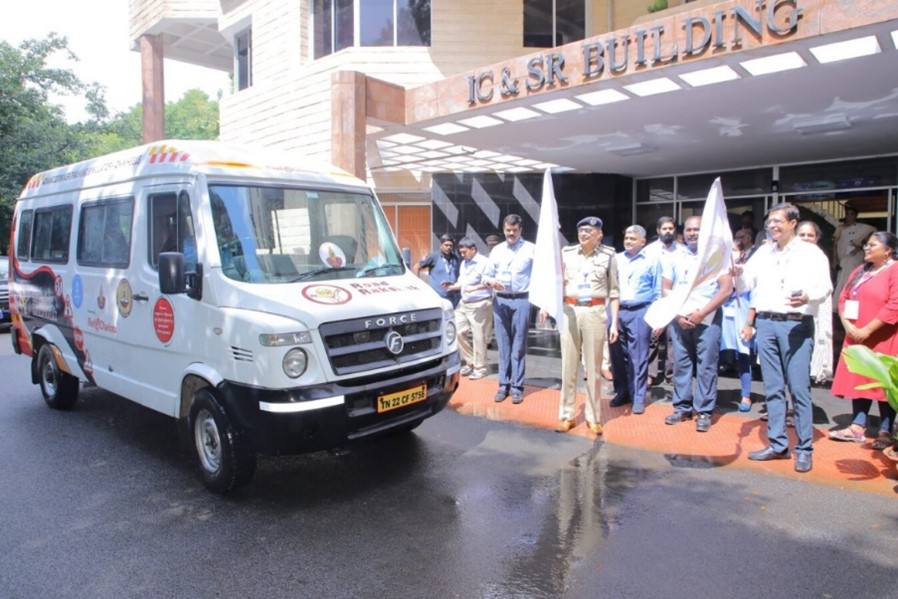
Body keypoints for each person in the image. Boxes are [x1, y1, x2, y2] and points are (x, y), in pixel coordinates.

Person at [736, 203, 832, 473]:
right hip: (766, 323)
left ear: (793, 223)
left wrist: (808, 297)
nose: (772, 226)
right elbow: (746, 285)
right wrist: (737, 274)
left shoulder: (811, 253)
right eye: (769, 222)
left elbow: (825, 286)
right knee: (773, 388)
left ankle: (804, 449)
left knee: (799, 389)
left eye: (778, 221)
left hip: (796, 324)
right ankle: (778, 445)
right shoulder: (763, 251)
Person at [545, 216, 619, 435]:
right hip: (570, 311)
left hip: (595, 312)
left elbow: (614, 292)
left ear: (599, 234)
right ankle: (566, 415)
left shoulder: (609, 256)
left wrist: (614, 322)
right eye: (581, 230)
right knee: (568, 366)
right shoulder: (566, 254)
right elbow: (556, 282)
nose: (584, 234)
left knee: (594, 368)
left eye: (589, 230)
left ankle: (593, 417)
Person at [662, 215, 733, 433]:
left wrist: (701, 313)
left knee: (706, 366)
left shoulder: (719, 257)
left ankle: (703, 411)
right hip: (679, 319)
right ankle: (682, 407)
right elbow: (665, 288)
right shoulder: (676, 257)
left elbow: (725, 290)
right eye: (690, 230)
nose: (694, 233)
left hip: (707, 319)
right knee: (681, 364)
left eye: (698, 230)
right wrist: (677, 315)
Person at [827, 231, 898, 450]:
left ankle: (886, 431)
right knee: (859, 380)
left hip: (883, 336)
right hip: (856, 334)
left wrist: (867, 329)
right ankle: (857, 426)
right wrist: (849, 327)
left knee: (883, 382)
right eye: (866, 244)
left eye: (872, 245)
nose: (866, 248)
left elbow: (895, 304)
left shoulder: (895, 270)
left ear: (887, 251)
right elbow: (844, 297)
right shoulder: (861, 270)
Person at [608, 225, 660, 415]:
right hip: (617, 311)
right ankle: (622, 391)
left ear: (643, 241)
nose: (628, 241)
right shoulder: (617, 259)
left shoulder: (652, 261)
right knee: (617, 355)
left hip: (640, 311)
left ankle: (638, 397)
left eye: (632, 238)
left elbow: (657, 291)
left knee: (638, 356)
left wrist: (657, 318)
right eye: (626, 238)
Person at [484, 214, 536, 404]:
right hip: (501, 301)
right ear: (504, 229)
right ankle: (503, 385)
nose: (511, 233)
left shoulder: (531, 249)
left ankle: (517, 387)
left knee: (518, 345)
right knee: (503, 345)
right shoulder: (497, 250)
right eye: (507, 230)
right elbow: (486, 276)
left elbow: (539, 276)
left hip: (521, 300)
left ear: (520, 230)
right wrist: (491, 281)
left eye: (514, 230)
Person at [644, 216, 687, 384]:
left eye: (671, 228)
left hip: (675, 301)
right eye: (664, 228)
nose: (668, 231)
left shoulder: (683, 251)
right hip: (654, 301)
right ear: (658, 231)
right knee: (652, 338)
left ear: (674, 230)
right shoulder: (649, 251)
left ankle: (672, 374)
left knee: (673, 338)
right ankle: (650, 374)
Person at [443, 237, 493, 380]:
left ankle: (480, 367)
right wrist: (451, 286)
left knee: (479, 337)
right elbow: (462, 283)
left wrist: (474, 288)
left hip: (480, 303)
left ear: (473, 249)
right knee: (457, 332)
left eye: (465, 252)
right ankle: (471, 361)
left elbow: (490, 283)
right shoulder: (464, 263)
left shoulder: (484, 263)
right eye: (461, 253)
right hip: (464, 303)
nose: (462, 255)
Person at [797, 221, 834, 384]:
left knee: (806, 359)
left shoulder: (819, 257)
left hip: (813, 312)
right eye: (802, 234)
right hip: (789, 314)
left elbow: (825, 288)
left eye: (810, 235)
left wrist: (808, 296)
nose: (806, 238)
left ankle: (795, 404)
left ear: (817, 238)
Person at [720, 238, 754, 412]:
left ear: (741, 253)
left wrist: (749, 322)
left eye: (734, 250)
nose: (731, 253)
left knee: (744, 354)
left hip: (742, 314)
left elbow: (754, 298)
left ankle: (746, 394)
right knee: (715, 352)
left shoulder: (748, 271)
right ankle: (712, 394)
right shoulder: (718, 271)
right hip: (723, 314)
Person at [832, 205, 876, 308]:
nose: (849, 216)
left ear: (856, 216)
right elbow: (836, 244)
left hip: (856, 257)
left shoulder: (862, 228)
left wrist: (859, 246)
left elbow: (871, 237)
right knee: (841, 281)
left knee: (854, 279)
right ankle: (839, 306)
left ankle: (852, 304)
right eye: (848, 214)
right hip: (843, 257)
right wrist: (834, 259)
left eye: (852, 214)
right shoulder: (841, 228)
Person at [414, 233, 460, 307]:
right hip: (437, 297)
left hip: (452, 298)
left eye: (451, 246)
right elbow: (416, 267)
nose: (448, 247)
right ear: (441, 245)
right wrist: (418, 285)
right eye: (446, 245)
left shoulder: (455, 258)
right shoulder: (434, 256)